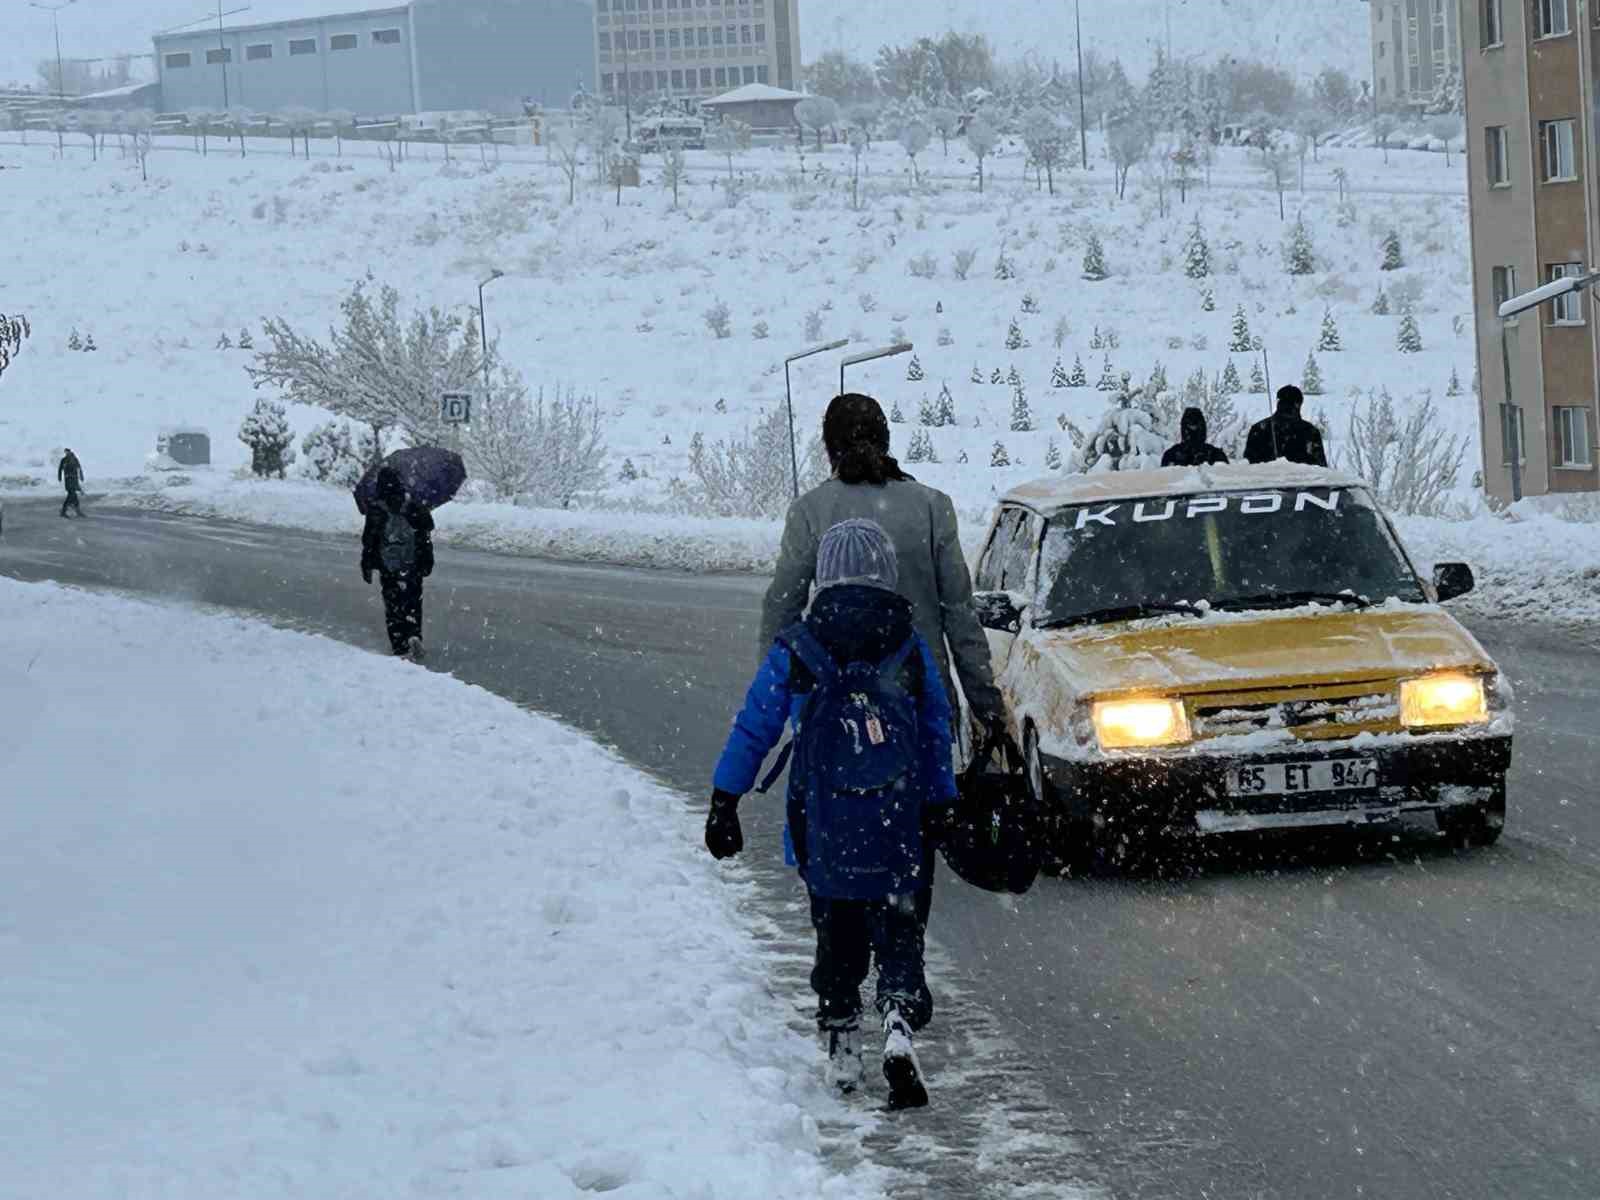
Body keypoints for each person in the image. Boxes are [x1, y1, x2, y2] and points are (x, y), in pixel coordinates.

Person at [708, 519, 957, 1109]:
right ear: (886, 571)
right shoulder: (909, 641)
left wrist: (726, 798)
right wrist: (941, 800)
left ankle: (843, 1037)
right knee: (899, 925)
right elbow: (935, 726)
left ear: (825, 574)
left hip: (823, 824)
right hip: (899, 820)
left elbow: (756, 724)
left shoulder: (799, 643)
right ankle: (897, 1018)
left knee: (837, 931)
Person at [762, 392, 1003, 740]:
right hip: (923, 701)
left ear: (830, 447)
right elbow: (959, 614)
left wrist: (774, 700)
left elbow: (782, 609)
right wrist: (986, 706)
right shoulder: (932, 506)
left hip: (836, 707)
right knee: (934, 791)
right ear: (885, 440)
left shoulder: (809, 511)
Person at [360, 466, 435, 661]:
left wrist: (367, 565)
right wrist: (427, 560)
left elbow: (369, 541)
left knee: (393, 605)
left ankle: (399, 645)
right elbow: (426, 531)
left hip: (389, 566)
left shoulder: (376, 509)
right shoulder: (413, 505)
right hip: (413, 563)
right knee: (413, 601)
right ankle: (413, 634)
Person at [1245, 385, 1328, 467]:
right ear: (1298, 405)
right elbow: (1321, 471)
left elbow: (1247, 469)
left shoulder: (1259, 429)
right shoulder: (1310, 432)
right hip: (1303, 479)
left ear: (1278, 403)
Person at [1161, 407, 1231, 467]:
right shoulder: (1171, 455)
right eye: (1189, 426)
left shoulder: (1215, 455)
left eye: (1195, 426)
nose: (1192, 431)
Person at [58, 448, 84, 518]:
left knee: (73, 495)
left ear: (70, 452)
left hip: (74, 480)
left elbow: (79, 467)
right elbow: (60, 469)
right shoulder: (63, 460)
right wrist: (59, 477)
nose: (66, 453)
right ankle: (67, 511)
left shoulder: (74, 459)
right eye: (65, 452)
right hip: (68, 480)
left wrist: (81, 476)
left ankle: (67, 511)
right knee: (72, 494)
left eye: (67, 452)